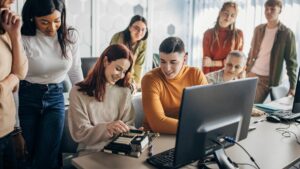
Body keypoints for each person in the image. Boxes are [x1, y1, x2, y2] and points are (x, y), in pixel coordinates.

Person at [18, 0, 84, 168]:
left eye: (57, 20)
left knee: (48, 155)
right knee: (27, 153)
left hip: (56, 96)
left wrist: (86, 99)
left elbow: (75, 70)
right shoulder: (21, 35)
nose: (52, 28)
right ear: (33, 18)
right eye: (44, 22)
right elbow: (15, 77)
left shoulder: (70, 35)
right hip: (26, 96)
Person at [68, 44, 135, 156]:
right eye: (118, 69)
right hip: (90, 152)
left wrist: (135, 133)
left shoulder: (125, 91)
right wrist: (107, 128)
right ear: (105, 61)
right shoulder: (78, 92)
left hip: (119, 151)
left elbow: (129, 125)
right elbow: (80, 133)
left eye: (124, 72)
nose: (121, 76)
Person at [142, 37, 208, 134]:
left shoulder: (195, 74)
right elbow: (158, 123)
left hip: (188, 133)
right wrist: (195, 128)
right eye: (163, 61)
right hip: (157, 136)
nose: (167, 68)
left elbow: (205, 110)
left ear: (184, 58)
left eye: (173, 62)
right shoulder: (150, 79)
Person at [246, 0, 298, 103]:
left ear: (280, 10)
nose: (268, 12)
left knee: (253, 106)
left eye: (272, 9)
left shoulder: (286, 34)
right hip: (252, 74)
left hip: (269, 79)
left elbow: (291, 62)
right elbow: (252, 51)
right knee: (245, 104)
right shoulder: (258, 29)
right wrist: (246, 70)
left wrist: (292, 86)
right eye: (266, 9)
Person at [0, 0, 28, 168]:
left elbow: (21, 71)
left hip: (6, 129)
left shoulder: (6, 30)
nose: (13, 1)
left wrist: (15, 35)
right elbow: (16, 76)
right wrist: (11, 81)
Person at [206, 51, 264, 116]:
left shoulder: (240, 79)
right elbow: (215, 105)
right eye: (229, 65)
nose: (232, 69)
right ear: (225, 62)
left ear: (243, 68)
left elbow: (243, 101)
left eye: (237, 67)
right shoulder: (210, 79)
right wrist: (246, 109)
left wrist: (243, 81)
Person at [202, 1, 243, 74]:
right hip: (212, 76)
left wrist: (213, 63)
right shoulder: (208, 34)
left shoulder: (238, 35)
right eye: (226, 13)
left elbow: (237, 62)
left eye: (232, 15)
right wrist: (205, 80)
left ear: (235, 19)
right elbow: (206, 63)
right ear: (220, 12)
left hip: (230, 76)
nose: (228, 17)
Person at [110, 15, 148, 90]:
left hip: (130, 77)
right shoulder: (118, 37)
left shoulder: (143, 43)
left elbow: (139, 65)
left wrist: (135, 84)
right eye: (136, 28)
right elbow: (113, 62)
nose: (140, 32)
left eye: (143, 29)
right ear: (130, 27)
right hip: (114, 74)